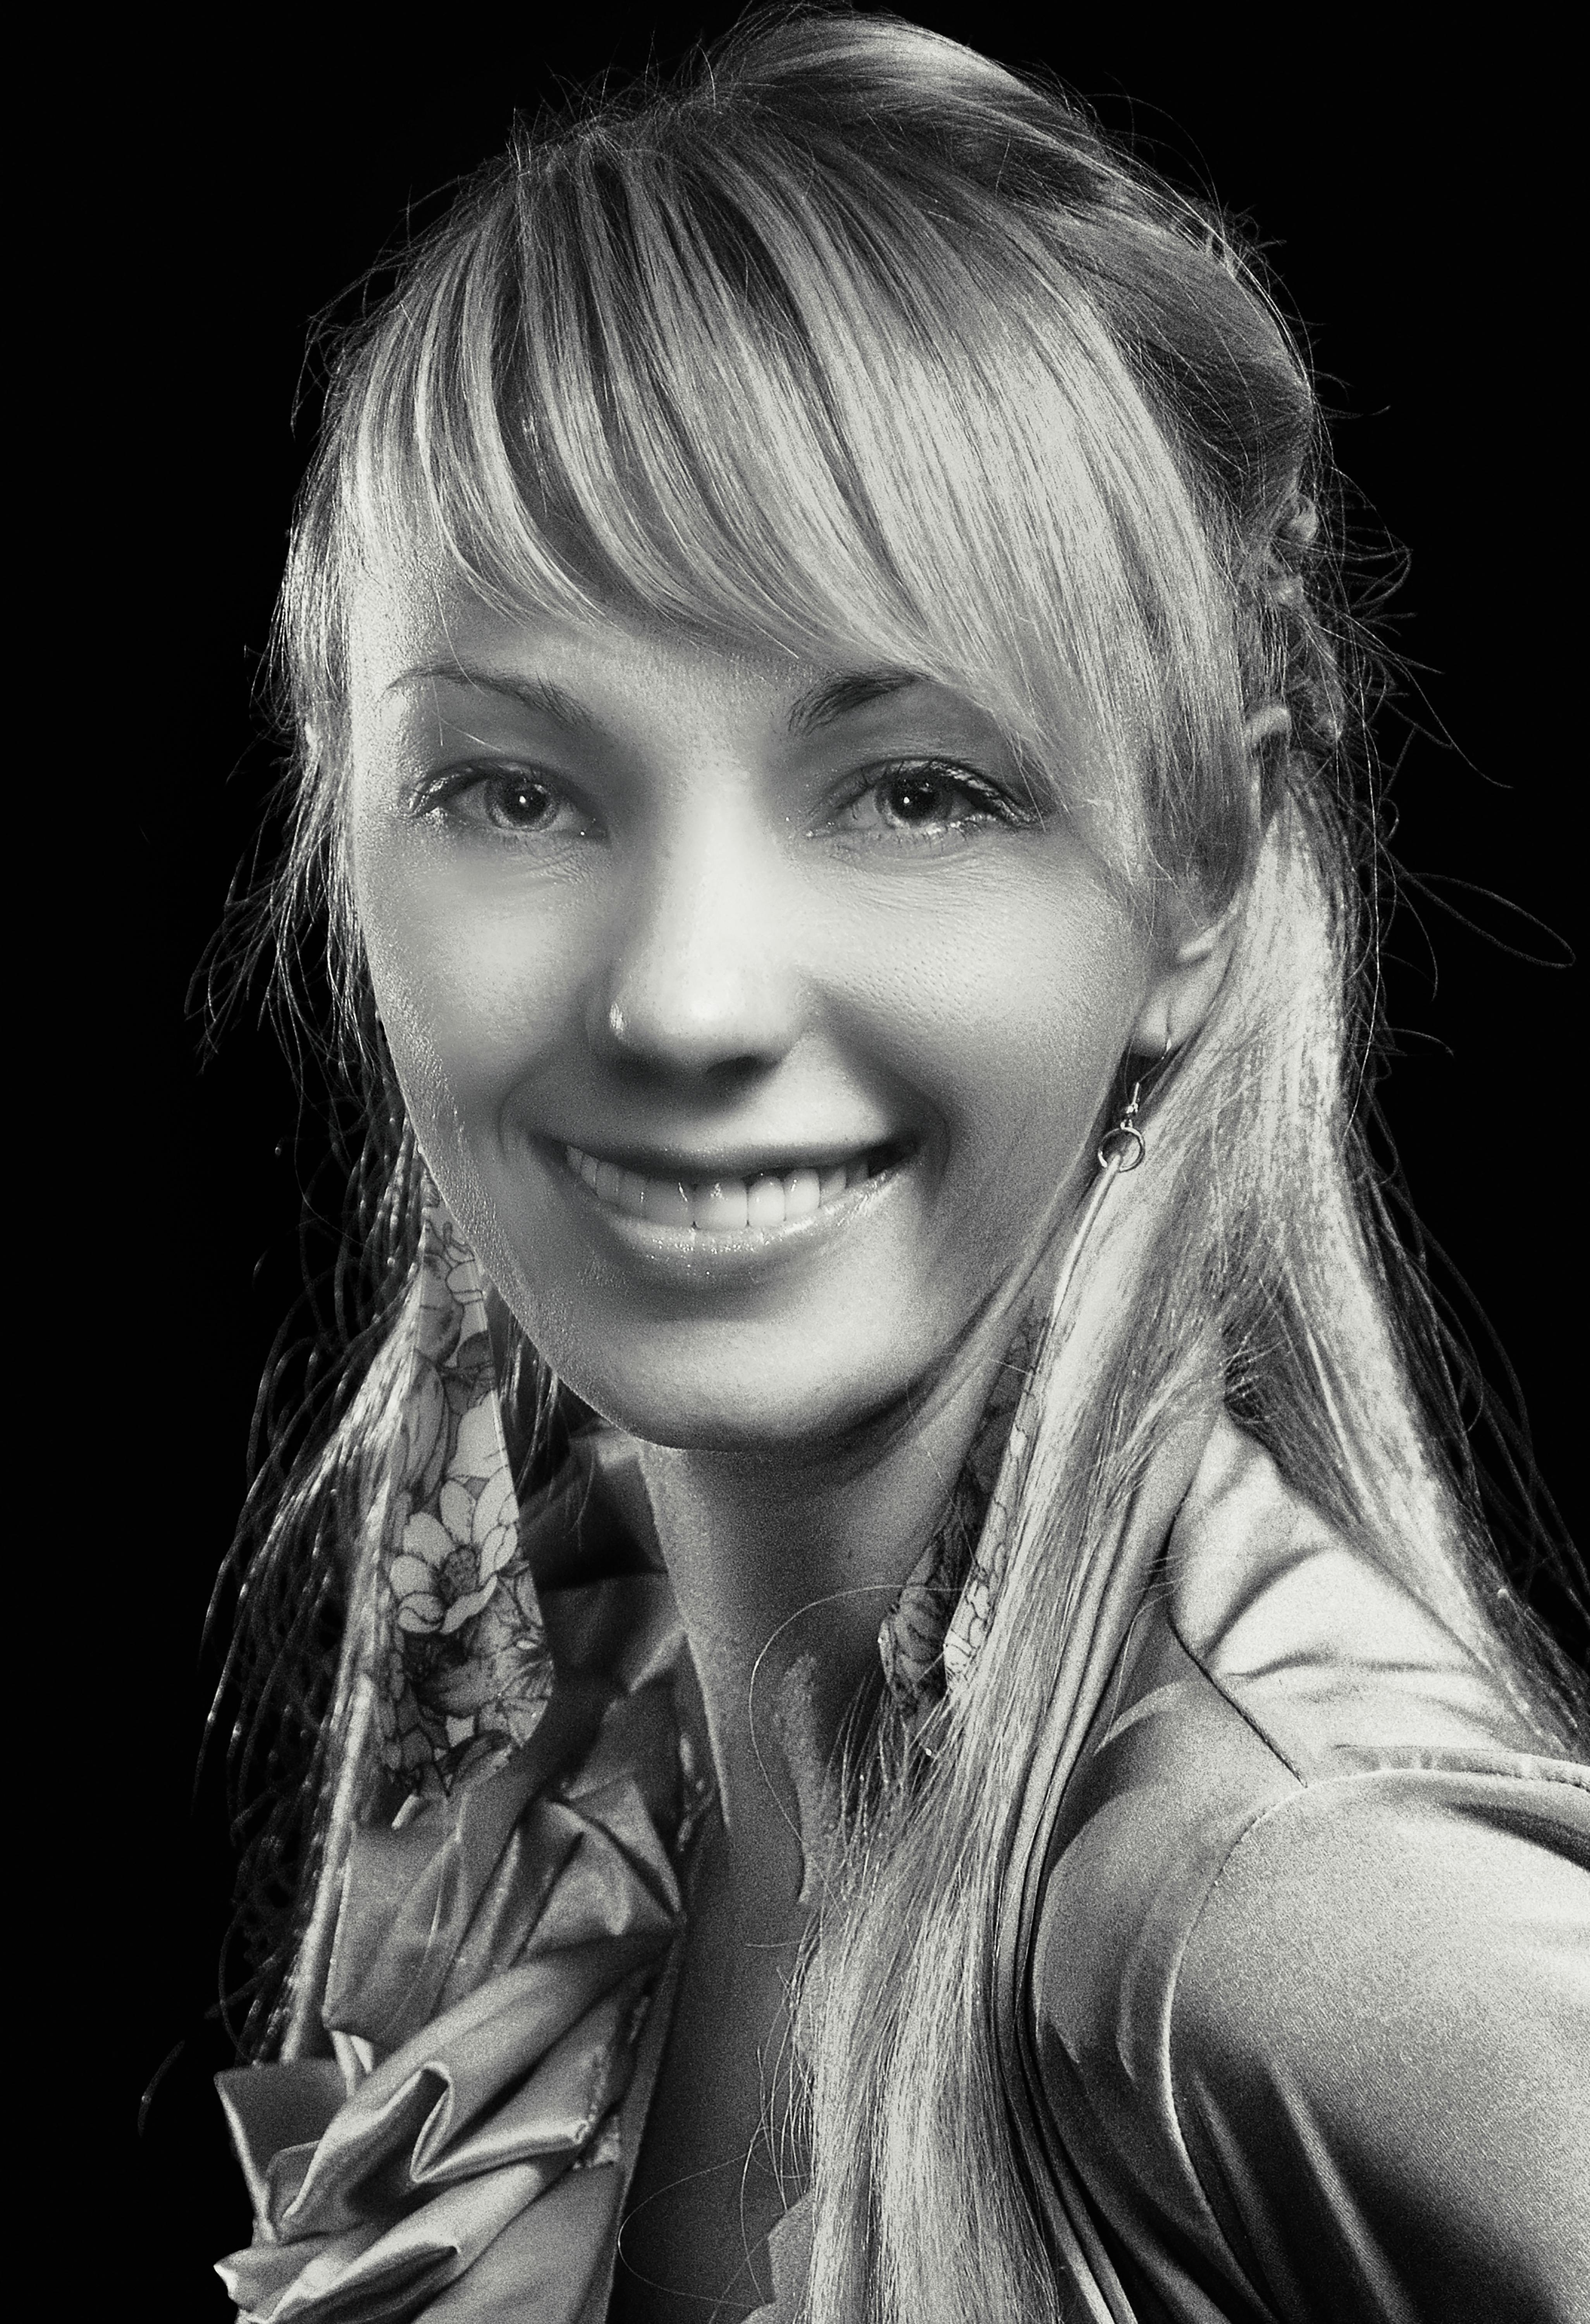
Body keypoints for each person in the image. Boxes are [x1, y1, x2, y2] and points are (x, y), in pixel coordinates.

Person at [208, 12, 1590, 2321]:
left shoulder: (1291, 1917)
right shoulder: (585, 1790)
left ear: (1198, 875)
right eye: (518, 790)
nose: (685, 999)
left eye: (913, 789)